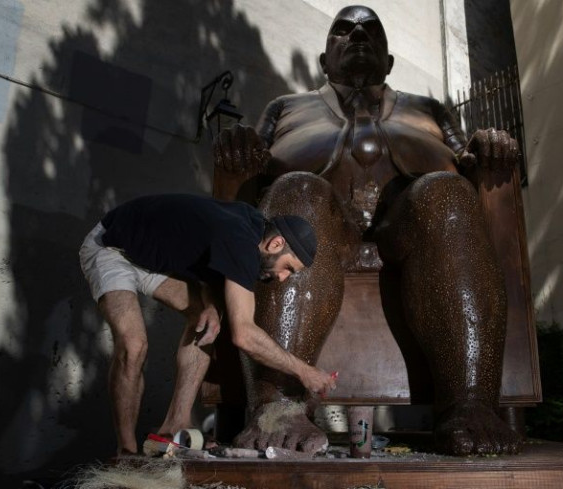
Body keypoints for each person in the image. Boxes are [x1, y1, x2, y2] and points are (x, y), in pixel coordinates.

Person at [214, 5, 521, 456]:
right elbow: (257, 152)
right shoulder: (285, 106)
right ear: (323, 60)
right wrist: (243, 142)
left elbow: (466, 158)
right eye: (343, 29)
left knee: (447, 192)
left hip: (409, 222)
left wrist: (484, 146)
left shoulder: (429, 108)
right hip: (322, 223)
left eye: (370, 31)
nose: (357, 35)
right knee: (297, 192)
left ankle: (470, 404)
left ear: (390, 61)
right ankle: (277, 408)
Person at [78, 193, 337, 455]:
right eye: (288, 268)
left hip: (150, 261)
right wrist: (304, 371)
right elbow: (244, 335)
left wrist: (211, 305)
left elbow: (206, 261)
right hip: (112, 249)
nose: (282, 278)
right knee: (133, 345)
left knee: (206, 322)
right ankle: (126, 452)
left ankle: (172, 429)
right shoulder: (241, 241)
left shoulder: (252, 227)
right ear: (276, 243)